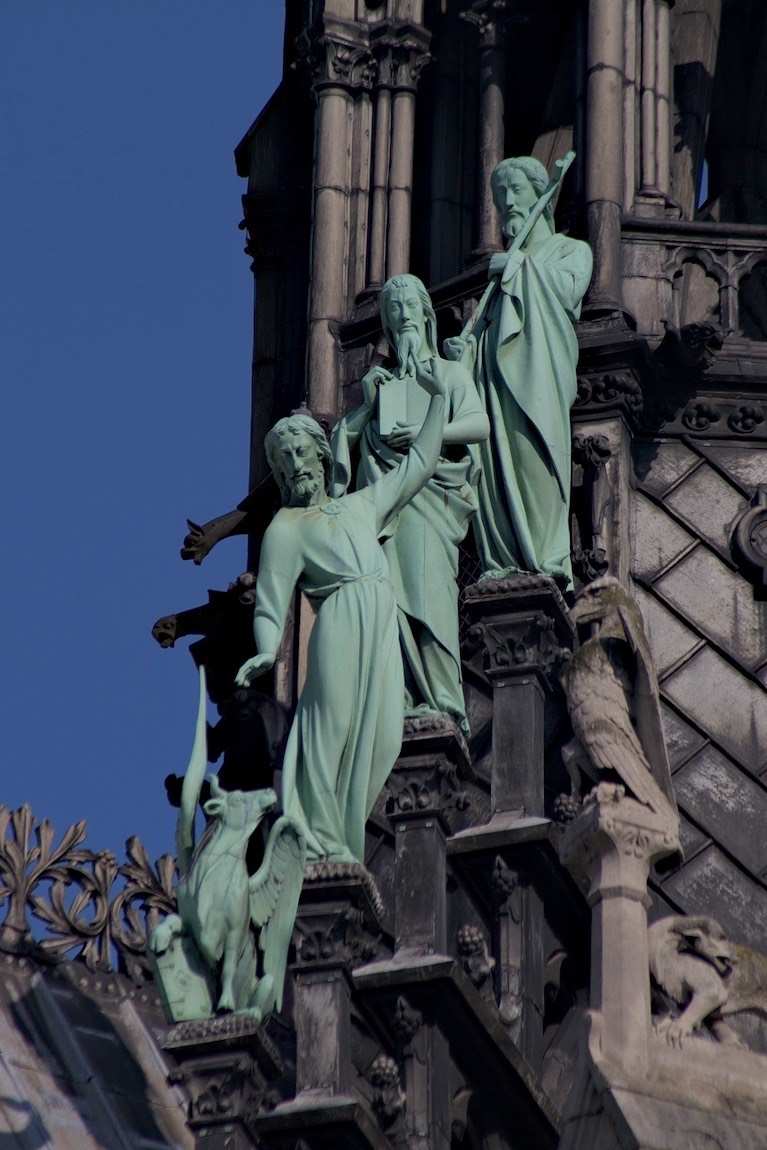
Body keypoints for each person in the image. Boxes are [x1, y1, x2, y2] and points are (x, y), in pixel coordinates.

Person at [235, 370, 448, 865]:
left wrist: (440, 398)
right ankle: (318, 838)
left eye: (299, 452)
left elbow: (419, 463)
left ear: (321, 453)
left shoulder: (361, 505)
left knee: (386, 738)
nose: (293, 465)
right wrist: (266, 650)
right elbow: (269, 601)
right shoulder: (285, 528)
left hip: (381, 620)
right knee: (328, 727)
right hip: (339, 622)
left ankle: (344, 833)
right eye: (283, 460)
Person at [331, 274, 489, 734]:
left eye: (408, 306)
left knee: (426, 593)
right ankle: (398, 697)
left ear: (426, 314)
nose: (402, 316)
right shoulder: (379, 384)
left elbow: (478, 425)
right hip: (383, 505)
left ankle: (442, 699)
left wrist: (428, 432)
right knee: (386, 601)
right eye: (393, 309)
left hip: (429, 501)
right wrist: (367, 405)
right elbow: (344, 443)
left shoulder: (447, 373)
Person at [448, 157, 593, 590]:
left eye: (516, 191)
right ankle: (508, 557)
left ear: (540, 194)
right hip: (495, 388)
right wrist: (465, 354)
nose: (508, 202)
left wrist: (517, 268)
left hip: (538, 382)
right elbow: (490, 335)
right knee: (497, 471)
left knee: (536, 461)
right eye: (500, 195)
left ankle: (546, 558)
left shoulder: (570, 250)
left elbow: (568, 291)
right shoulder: (501, 273)